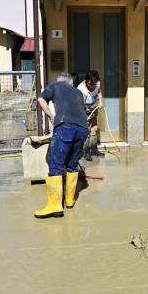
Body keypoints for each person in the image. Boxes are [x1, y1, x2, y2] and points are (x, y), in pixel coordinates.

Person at [35, 73, 89, 219]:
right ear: (71, 83)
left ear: (60, 82)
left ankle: (55, 206)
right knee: (72, 164)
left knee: (56, 164)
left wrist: (51, 116)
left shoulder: (55, 86)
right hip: (83, 129)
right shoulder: (78, 92)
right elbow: (82, 107)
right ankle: (70, 200)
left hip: (66, 126)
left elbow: (41, 99)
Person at [77, 70, 105, 161]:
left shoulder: (97, 83)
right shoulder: (81, 89)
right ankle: (86, 151)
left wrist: (100, 101)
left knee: (94, 128)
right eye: (90, 84)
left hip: (93, 105)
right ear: (86, 81)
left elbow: (99, 92)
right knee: (86, 130)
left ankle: (93, 149)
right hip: (83, 107)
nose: (93, 86)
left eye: (94, 84)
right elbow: (80, 104)